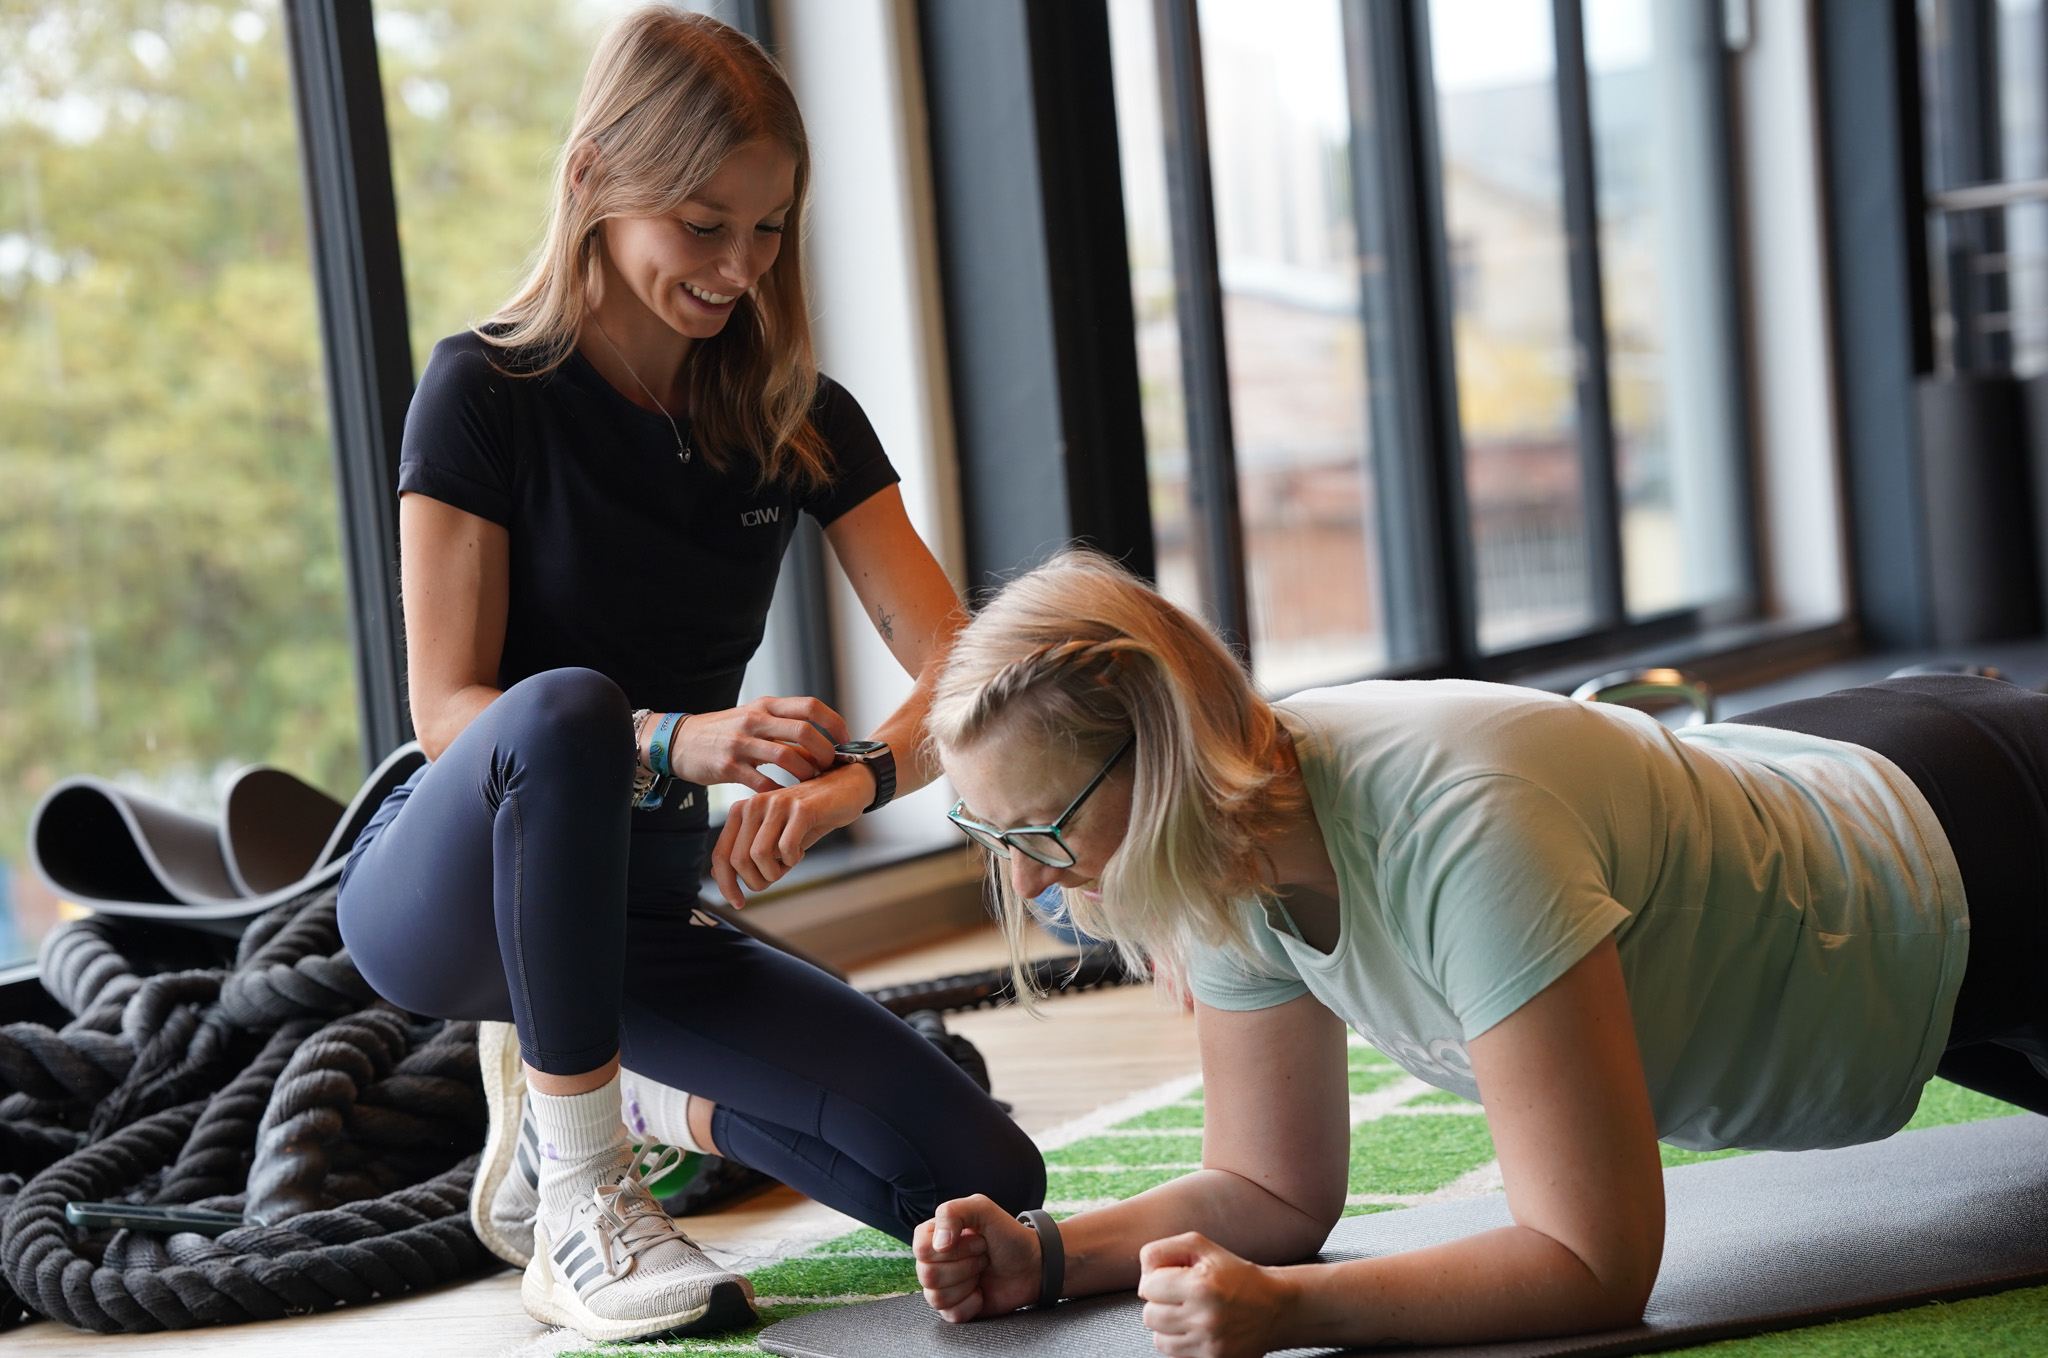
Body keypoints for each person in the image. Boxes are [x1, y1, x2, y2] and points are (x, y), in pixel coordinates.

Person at [333, 8, 1042, 1345]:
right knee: (571, 707)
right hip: (449, 902)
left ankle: (629, 1101)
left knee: (991, 1181)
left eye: (768, 227)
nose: (739, 266)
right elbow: (448, 714)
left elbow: (971, 668)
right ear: (595, 180)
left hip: (643, 913)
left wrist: (851, 786)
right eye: (703, 224)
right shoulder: (480, 391)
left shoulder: (798, 416)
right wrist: (679, 742)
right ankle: (581, 1192)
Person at [910, 549, 2045, 1358]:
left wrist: (1294, 1313)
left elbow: (1591, 1260)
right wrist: (1045, 1255)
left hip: (1986, 862)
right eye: (987, 834)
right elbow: (1268, 1186)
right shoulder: (1218, 836)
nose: (1021, 878)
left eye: (1038, 831)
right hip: (1836, 791)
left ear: (1154, 773)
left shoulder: (1462, 829)